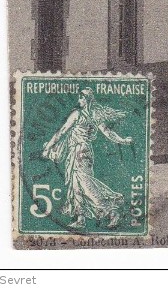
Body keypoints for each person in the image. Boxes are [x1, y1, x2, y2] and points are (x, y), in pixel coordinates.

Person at [41, 88, 132, 229]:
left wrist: (48, 147)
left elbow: (62, 131)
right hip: (83, 152)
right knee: (76, 185)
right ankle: (81, 218)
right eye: (79, 98)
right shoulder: (95, 115)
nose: (79, 101)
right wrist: (123, 140)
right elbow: (108, 133)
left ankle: (112, 209)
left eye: (81, 98)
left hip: (79, 152)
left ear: (87, 99)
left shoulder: (77, 114)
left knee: (85, 185)